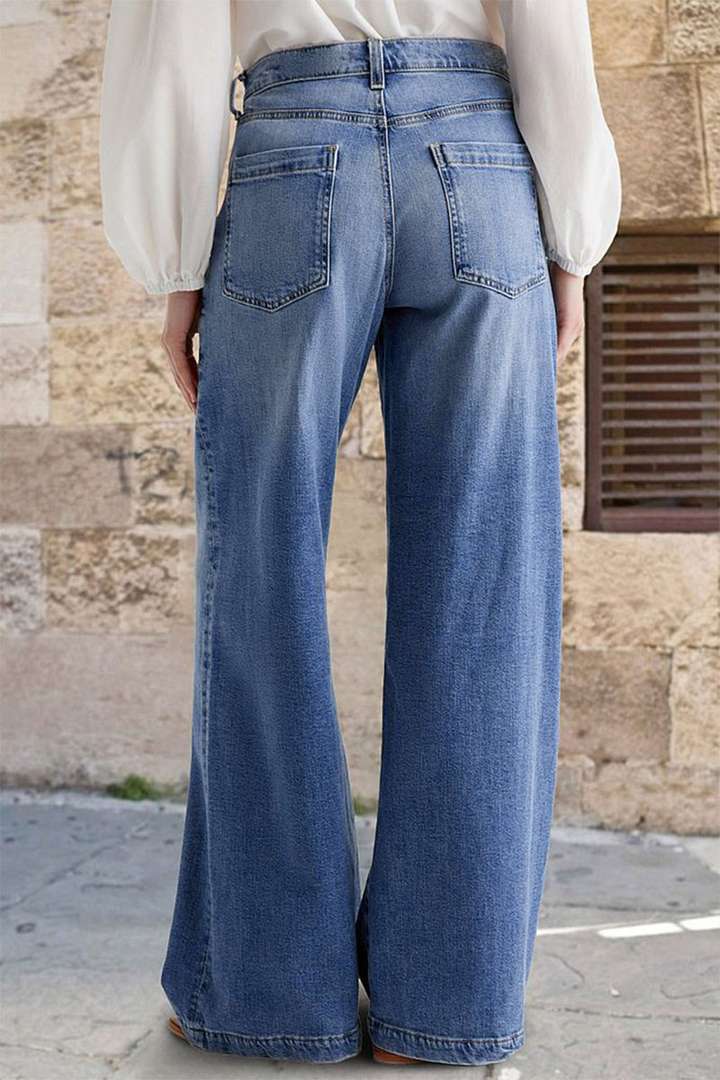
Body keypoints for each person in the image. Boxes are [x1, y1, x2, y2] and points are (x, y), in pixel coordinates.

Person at [100, 0, 621, 1067]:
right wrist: (572, 236)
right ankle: (451, 1006)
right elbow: (547, 19)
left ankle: (270, 995)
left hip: (296, 157)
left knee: (261, 584)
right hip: (481, 158)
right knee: (487, 596)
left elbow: (172, 27)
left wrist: (175, 266)